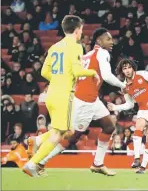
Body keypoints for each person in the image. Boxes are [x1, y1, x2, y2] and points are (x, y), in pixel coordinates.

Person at [29, 28, 125, 176]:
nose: (111, 42)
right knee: (72, 136)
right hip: (85, 101)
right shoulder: (102, 53)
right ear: (99, 41)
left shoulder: (86, 56)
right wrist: (124, 85)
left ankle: (97, 164)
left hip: (90, 98)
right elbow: (106, 75)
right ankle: (40, 158)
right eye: (108, 39)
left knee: (109, 126)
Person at [22, 15, 100, 177]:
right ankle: (32, 164)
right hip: (64, 95)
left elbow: (44, 72)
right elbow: (78, 72)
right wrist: (93, 72)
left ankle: (35, 141)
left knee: (67, 130)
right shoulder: (76, 46)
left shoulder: (54, 46)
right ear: (78, 30)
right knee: (58, 134)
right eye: (81, 29)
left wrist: (58, 79)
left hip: (51, 93)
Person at [108, 58, 148, 174]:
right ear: (122, 71)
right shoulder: (124, 86)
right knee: (138, 128)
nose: (128, 70)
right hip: (143, 109)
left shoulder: (143, 74)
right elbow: (130, 104)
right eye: (125, 68)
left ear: (133, 67)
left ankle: (143, 166)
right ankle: (137, 159)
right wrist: (116, 107)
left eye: (129, 67)